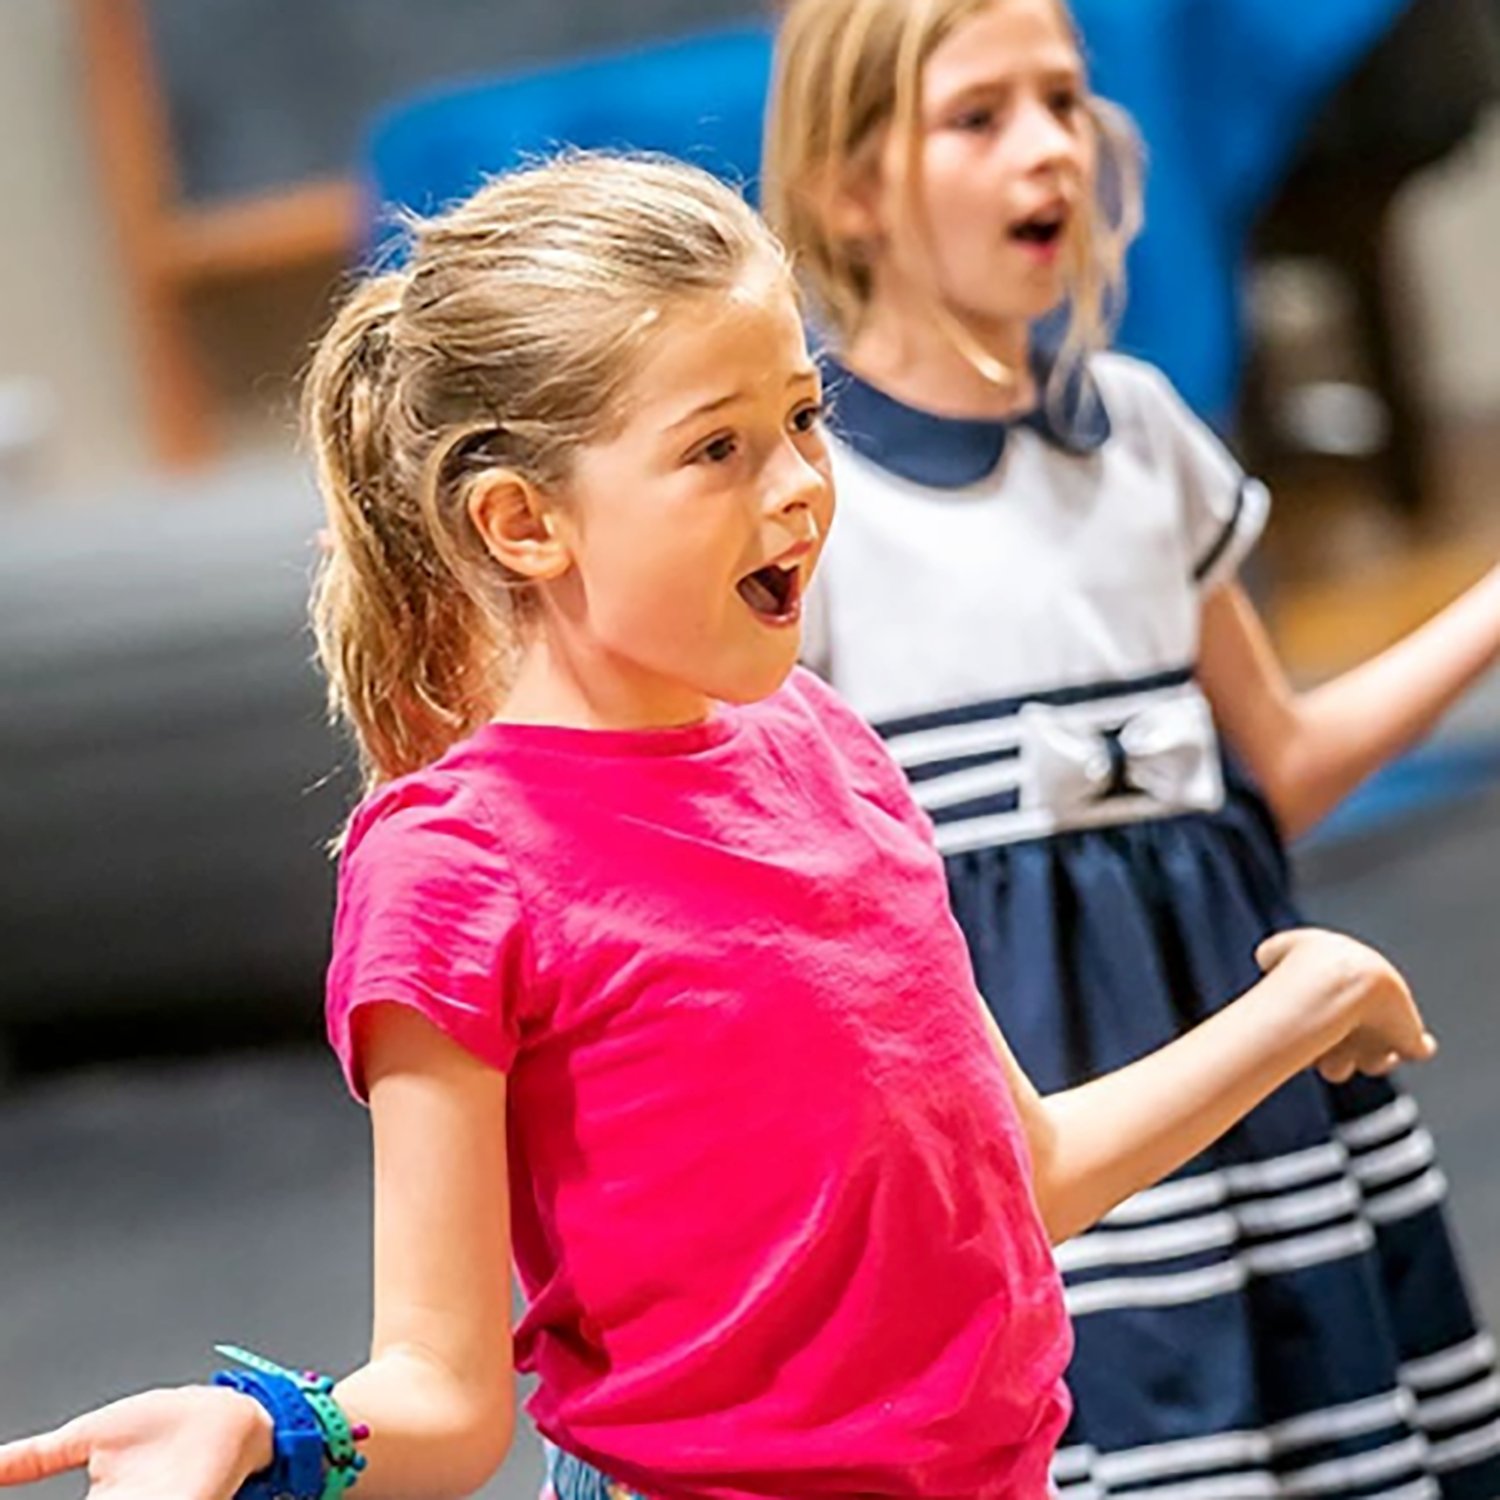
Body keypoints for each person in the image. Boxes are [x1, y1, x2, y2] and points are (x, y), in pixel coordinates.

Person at [0, 153, 1441, 1500]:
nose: (803, 483)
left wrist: (1299, 1007)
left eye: (803, 418)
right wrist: (268, 1430)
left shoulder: (826, 749)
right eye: (718, 450)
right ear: (521, 524)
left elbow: (1024, 1180)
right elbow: (443, 1389)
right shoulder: (452, 868)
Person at [764, 1, 1500, 1495]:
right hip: (1038, 1171)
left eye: (1063, 102)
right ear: (850, 188)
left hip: (1272, 1129)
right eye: (979, 117)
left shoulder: (1147, 438)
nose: (1046, 147)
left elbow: (1275, 764)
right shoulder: (811, 498)